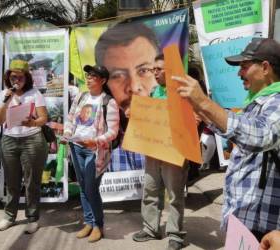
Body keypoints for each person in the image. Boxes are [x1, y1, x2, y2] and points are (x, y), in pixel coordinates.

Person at [173, 38, 280, 241]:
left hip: (265, 228)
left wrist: (204, 103)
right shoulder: (258, 102)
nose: (239, 73)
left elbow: (259, 136)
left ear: (265, 67)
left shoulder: (278, 101)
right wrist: (199, 109)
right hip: (246, 220)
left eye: (244, 67)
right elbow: (237, 127)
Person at [132, 54, 188, 250]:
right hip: (154, 152)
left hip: (175, 154)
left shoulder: (183, 93)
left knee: (175, 195)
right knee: (150, 190)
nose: (155, 73)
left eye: (159, 69)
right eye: (153, 69)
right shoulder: (154, 91)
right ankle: (150, 229)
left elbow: (193, 121)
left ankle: (175, 235)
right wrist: (137, 113)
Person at [61, 65, 119, 242]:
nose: (88, 78)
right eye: (88, 75)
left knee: (91, 188)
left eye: (93, 76)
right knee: (83, 186)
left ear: (102, 81)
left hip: (95, 151)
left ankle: (98, 225)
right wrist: (67, 134)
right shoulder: (81, 96)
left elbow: (113, 132)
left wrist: (95, 141)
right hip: (76, 147)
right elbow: (70, 120)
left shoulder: (108, 102)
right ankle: (88, 222)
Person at [94, 21, 159, 171]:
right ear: (105, 84)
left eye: (144, 71)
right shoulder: (100, 137)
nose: (134, 87)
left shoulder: (172, 134)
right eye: (118, 75)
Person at [0, 59, 48, 233]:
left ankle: (32, 218)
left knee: (32, 181)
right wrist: (6, 102)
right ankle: (9, 216)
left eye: (19, 77)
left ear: (27, 78)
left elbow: (43, 119)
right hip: (9, 141)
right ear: (8, 77)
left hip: (32, 140)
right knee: (12, 181)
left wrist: (32, 123)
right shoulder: (3, 94)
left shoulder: (35, 93)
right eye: (12, 77)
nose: (15, 80)